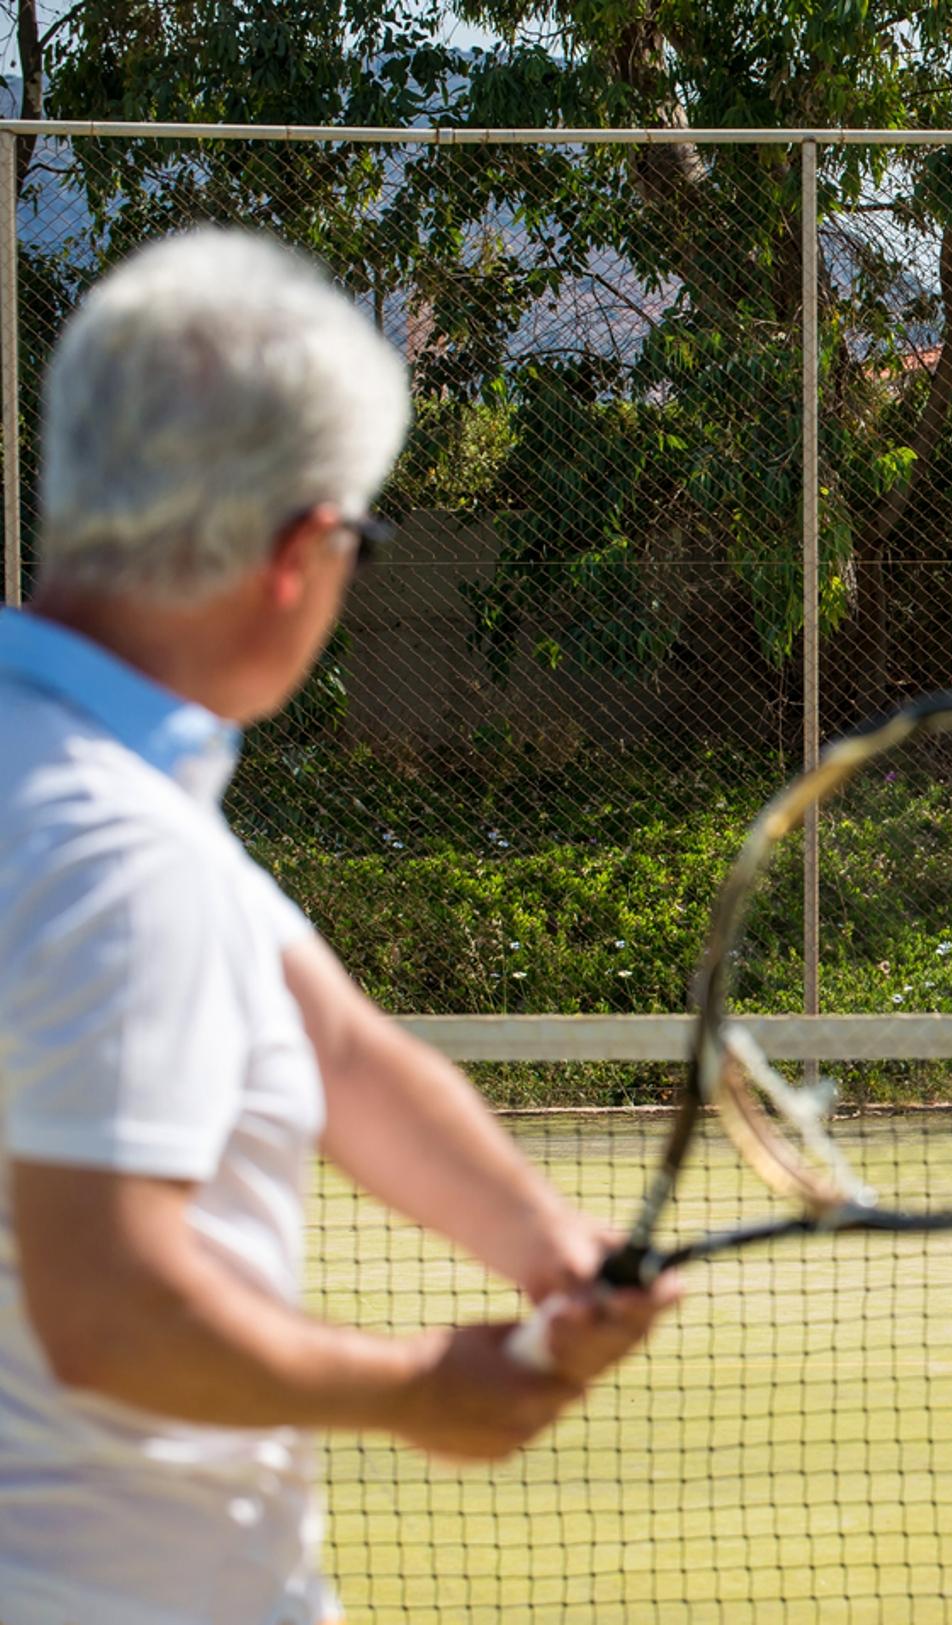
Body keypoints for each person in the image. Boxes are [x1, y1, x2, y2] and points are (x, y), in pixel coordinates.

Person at [0, 229, 681, 1625]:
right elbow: (111, 1309)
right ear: (302, 550)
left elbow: (344, 1050)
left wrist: (550, 1244)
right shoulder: (118, 849)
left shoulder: (84, 785)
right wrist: (422, 1390)